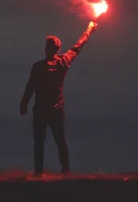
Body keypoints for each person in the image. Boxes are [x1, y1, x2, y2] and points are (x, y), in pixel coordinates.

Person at [19, 20, 98, 176]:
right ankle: (61, 172)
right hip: (53, 109)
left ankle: (43, 173)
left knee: (46, 142)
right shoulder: (63, 61)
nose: (46, 49)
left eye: (47, 46)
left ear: (49, 48)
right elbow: (78, 46)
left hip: (45, 110)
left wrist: (24, 104)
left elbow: (30, 86)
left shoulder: (39, 66)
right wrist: (90, 28)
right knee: (56, 142)